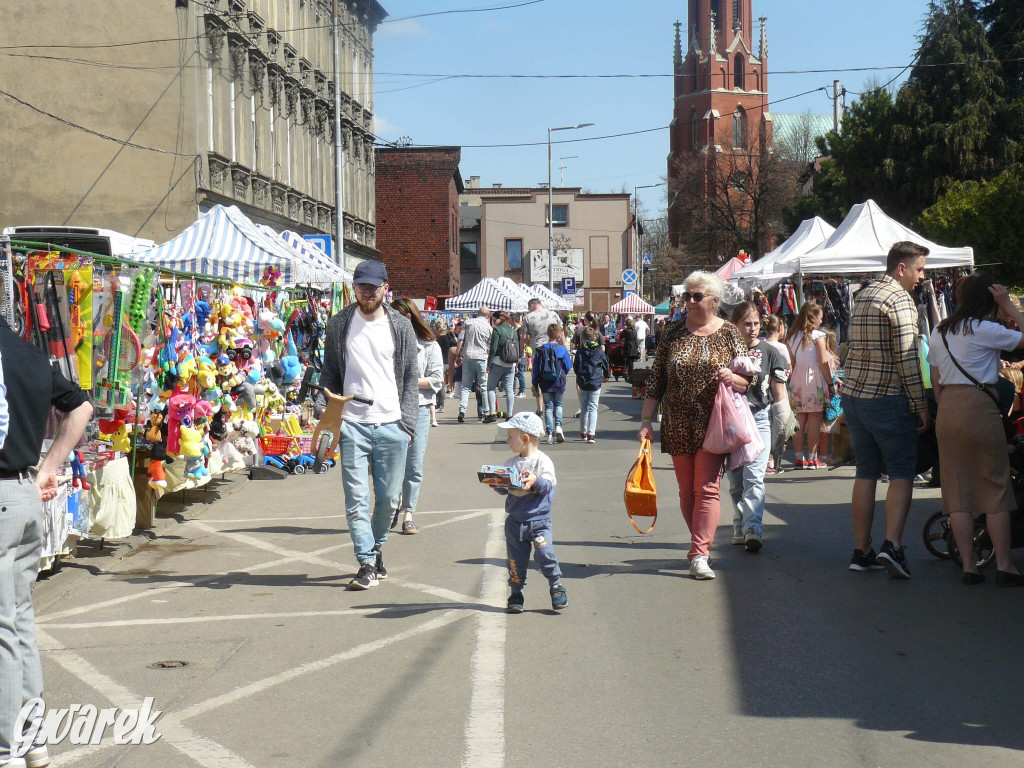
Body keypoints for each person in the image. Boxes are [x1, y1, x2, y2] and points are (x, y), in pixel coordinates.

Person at [0, 311, 91, 768]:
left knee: (3, 629)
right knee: (17, 623)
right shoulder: (28, 355)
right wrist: (48, 468)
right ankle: (32, 741)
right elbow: (82, 406)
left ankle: (7, 749)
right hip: (22, 494)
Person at [639, 270, 748, 580]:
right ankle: (700, 542)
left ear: (713, 301)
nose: (689, 301)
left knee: (707, 488)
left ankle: (699, 553)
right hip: (677, 422)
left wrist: (733, 378)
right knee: (687, 492)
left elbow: (747, 380)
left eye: (696, 296)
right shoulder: (672, 332)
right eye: (686, 295)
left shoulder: (728, 332)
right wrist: (647, 421)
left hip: (714, 421)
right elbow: (656, 379)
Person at [320, 260, 419, 590]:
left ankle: (375, 552)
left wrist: (407, 425)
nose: (367, 293)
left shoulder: (400, 327)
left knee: (390, 501)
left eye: (373, 287)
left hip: (392, 424)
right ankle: (365, 561)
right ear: (354, 287)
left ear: (385, 288)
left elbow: (409, 378)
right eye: (361, 286)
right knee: (356, 499)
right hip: (352, 424)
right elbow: (330, 375)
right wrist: (326, 414)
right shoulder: (339, 325)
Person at [927, 274, 1024, 585]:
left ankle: (969, 565)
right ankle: (1005, 565)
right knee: (995, 487)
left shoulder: (939, 330)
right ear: (987, 299)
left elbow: (937, 380)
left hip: (949, 408)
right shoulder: (985, 329)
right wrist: (1008, 304)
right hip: (979, 406)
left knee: (957, 490)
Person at [842, 241, 930, 578]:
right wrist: (920, 404)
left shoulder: (864, 294)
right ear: (902, 268)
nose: (922, 277)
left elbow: (853, 345)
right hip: (886, 395)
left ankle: (861, 550)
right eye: (919, 269)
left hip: (855, 394)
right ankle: (892, 545)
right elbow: (908, 357)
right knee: (901, 471)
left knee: (865, 471)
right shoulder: (899, 299)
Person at [491, 412, 567, 613]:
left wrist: (536, 480)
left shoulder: (543, 461)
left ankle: (556, 585)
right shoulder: (511, 463)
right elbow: (505, 489)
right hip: (515, 522)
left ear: (525, 439)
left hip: (539, 521)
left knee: (544, 552)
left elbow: (548, 486)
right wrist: (497, 483)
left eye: (510, 436)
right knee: (516, 560)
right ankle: (516, 592)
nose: (507, 440)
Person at [728, 303, 788, 552]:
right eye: (747, 324)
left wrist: (783, 421)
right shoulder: (726, 350)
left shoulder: (771, 352)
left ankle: (753, 527)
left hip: (761, 418)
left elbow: (778, 390)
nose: (752, 329)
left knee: (755, 476)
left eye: (755, 323)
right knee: (737, 480)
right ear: (736, 325)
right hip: (732, 421)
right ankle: (740, 522)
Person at [391, 298, 444, 536]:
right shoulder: (386, 343)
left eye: (397, 317)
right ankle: (392, 504)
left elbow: (436, 381)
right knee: (390, 463)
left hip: (420, 408)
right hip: (390, 409)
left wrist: (407, 380)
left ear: (409, 317)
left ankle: (408, 513)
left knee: (413, 463)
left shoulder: (429, 345)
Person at [784, 301, 834, 470]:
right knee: (814, 418)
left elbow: (791, 362)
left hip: (797, 378)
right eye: (820, 317)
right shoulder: (818, 336)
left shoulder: (791, 336)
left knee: (800, 418)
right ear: (813, 318)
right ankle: (813, 459)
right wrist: (830, 383)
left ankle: (799, 458)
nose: (822, 321)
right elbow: (823, 361)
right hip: (814, 379)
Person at [533, 323, 572, 444]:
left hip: (545, 382)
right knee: (558, 405)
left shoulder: (540, 350)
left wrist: (535, 383)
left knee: (548, 407)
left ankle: (549, 433)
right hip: (559, 380)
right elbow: (568, 365)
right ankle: (558, 427)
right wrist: (562, 373)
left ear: (547, 334)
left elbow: (535, 369)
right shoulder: (562, 349)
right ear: (559, 335)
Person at [762, 315, 792, 474]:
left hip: (764, 391)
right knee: (779, 426)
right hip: (779, 391)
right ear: (780, 328)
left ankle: (768, 461)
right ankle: (773, 461)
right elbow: (789, 369)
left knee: (767, 424)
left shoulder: (762, 344)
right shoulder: (781, 348)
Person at [523, 298, 562, 416]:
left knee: (537, 380)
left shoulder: (528, 317)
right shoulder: (553, 314)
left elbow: (524, 337)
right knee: (554, 376)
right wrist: (563, 348)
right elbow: (562, 334)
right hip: (555, 352)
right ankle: (555, 407)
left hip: (538, 352)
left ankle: (540, 409)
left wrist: (531, 345)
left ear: (532, 305)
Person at [454, 306, 493, 424]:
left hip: (468, 356)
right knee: (483, 386)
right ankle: (486, 412)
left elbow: (461, 339)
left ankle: (462, 410)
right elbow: (490, 345)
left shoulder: (468, 323)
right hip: (482, 357)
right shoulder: (489, 327)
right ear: (488, 315)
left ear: (477, 313)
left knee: (466, 386)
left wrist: (458, 354)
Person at [573, 327, 610, 443]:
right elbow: (605, 364)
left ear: (583, 338)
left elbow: (575, 367)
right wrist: (606, 375)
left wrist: (579, 376)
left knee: (584, 407)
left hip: (583, 381)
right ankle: (591, 434)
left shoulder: (580, 351)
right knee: (593, 407)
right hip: (595, 381)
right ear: (595, 338)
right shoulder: (599, 351)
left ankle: (583, 432)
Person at [486, 311, 518, 422]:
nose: (493, 323)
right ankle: (509, 414)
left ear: (500, 319)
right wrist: (516, 364)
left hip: (497, 362)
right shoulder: (513, 331)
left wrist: (489, 364)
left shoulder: (497, 330)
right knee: (509, 390)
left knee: (490, 388)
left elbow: (493, 349)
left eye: (494, 320)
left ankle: (492, 413)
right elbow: (517, 348)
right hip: (511, 364)